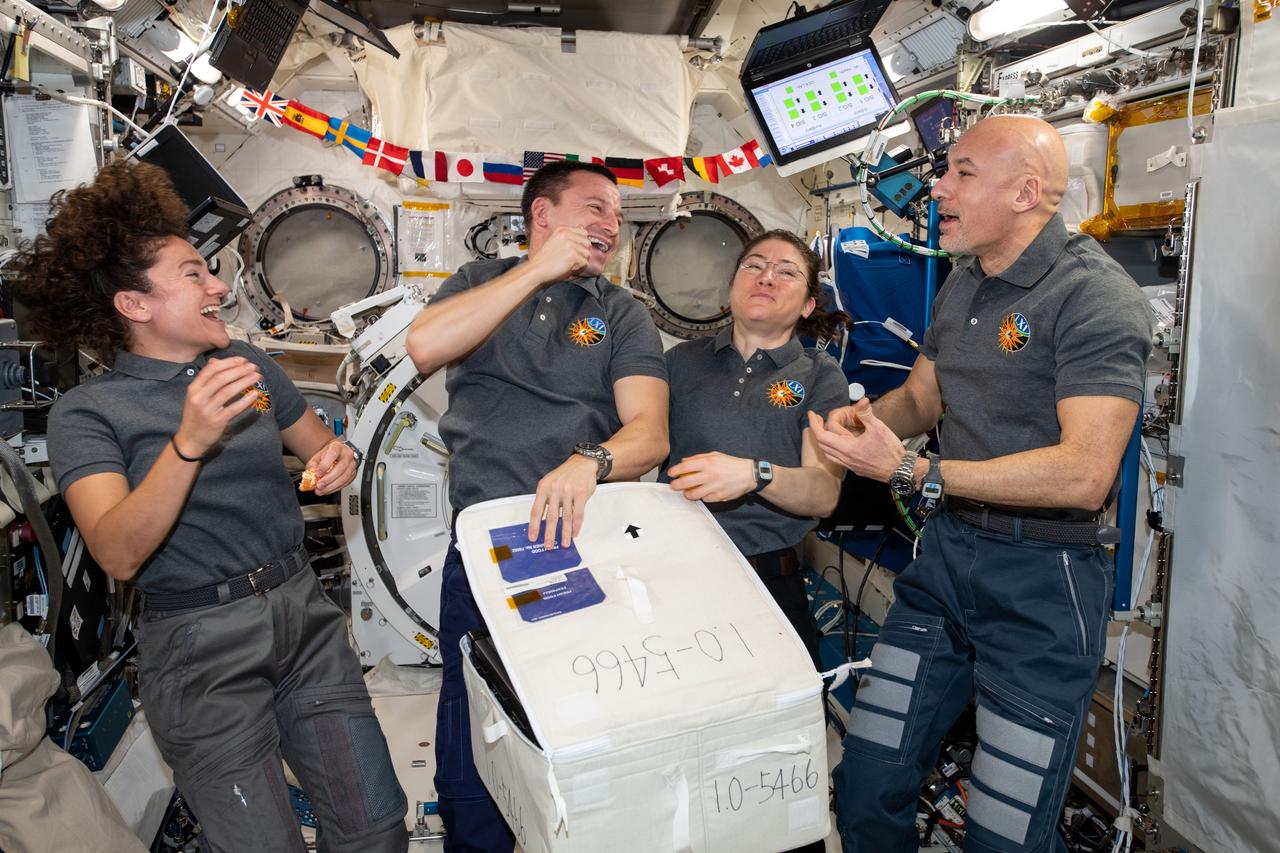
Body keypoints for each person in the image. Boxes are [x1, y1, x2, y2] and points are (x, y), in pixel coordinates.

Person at [12, 161, 408, 853]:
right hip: (199, 647)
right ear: (135, 305)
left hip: (304, 619)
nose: (219, 287)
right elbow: (117, 551)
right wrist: (187, 443)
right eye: (194, 274)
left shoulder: (249, 369)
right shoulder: (90, 413)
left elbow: (323, 450)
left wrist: (337, 459)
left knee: (374, 825)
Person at [810, 115, 1153, 852]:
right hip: (948, 561)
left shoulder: (1095, 296)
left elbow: (1084, 472)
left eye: (962, 173)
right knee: (865, 782)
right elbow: (921, 398)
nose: (938, 189)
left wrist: (913, 470)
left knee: (1004, 834)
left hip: (1042, 581)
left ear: (1025, 193)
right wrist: (864, 424)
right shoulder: (966, 280)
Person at [405, 160, 669, 853]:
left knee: (587, 719)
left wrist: (592, 461)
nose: (611, 224)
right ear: (542, 216)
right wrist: (535, 271)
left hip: (583, 546)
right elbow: (424, 345)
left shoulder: (621, 313)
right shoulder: (478, 282)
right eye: (595, 208)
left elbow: (650, 433)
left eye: (618, 215)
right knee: (475, 725)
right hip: (488, 549)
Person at [663, 229, 847, 671]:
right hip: (675, 572)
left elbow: (824, 492)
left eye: (786, 272)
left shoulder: (820, 376)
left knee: (789, 706)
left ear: (808, 305)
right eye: (755, 266)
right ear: (732, 286)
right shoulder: (679, 362)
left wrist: (755, 474)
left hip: (767, 580)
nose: (766, 277)